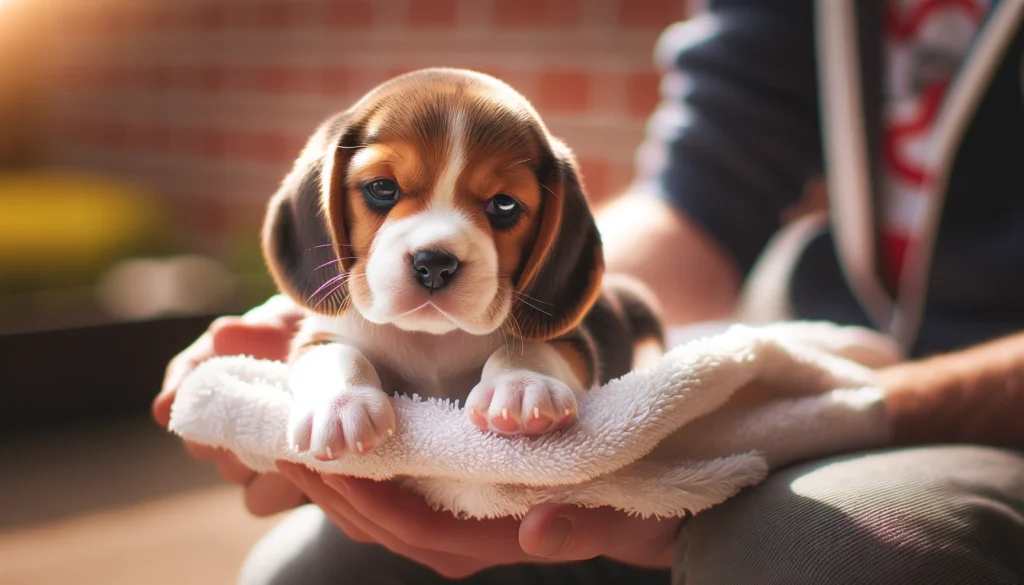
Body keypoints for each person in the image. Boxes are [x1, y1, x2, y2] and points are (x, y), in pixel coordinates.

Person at [154, 2, 1024, 583]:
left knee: (818, 553)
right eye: (385, 192)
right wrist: (326, 340)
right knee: (308, 571)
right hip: (834, 320)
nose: (435, 243)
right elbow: (698, 201)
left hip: (970, 402)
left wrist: (817, 418)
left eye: (500, 209)